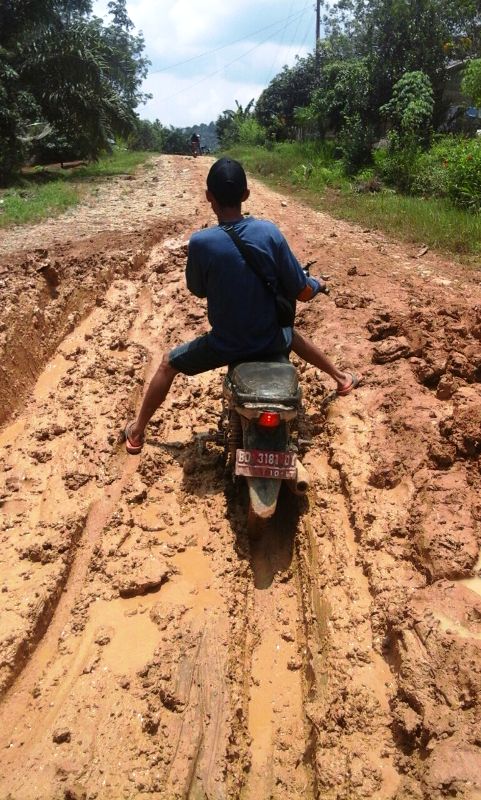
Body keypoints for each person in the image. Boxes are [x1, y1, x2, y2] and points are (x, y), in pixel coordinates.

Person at [124, 158, 361, 453]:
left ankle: (136, 431)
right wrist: (317, 285)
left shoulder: (200, 243)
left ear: (209, 196)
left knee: (168, 364)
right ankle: (340, 378)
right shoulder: (270, 233)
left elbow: (197, 291)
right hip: (271, 340)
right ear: (246, 195)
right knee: (292, 333)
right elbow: (300, 291)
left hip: (225, 345)